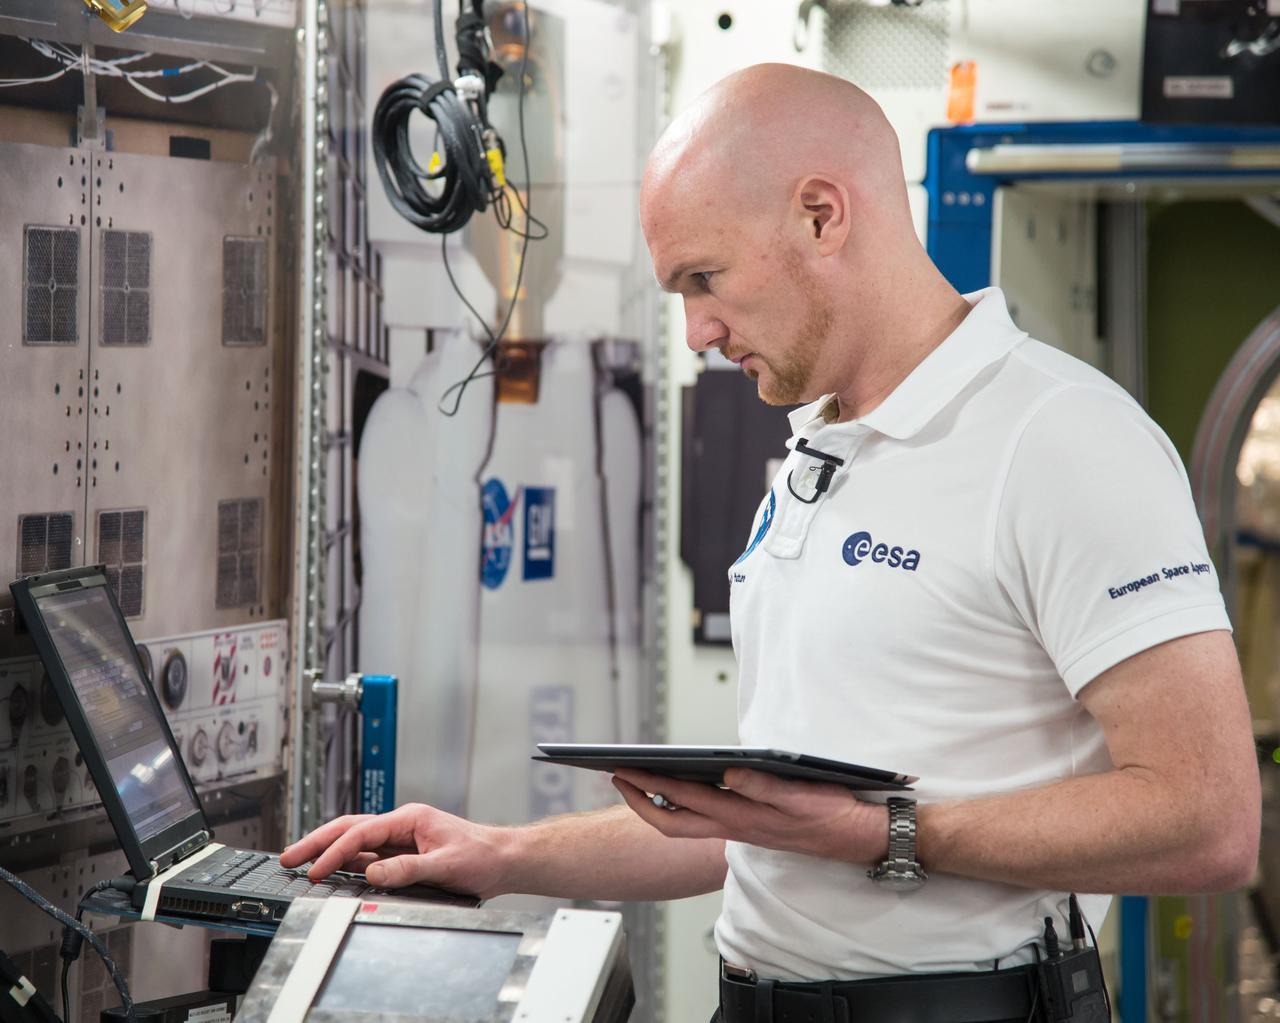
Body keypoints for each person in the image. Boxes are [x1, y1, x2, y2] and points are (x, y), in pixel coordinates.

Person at [280, 64, 1260, 1020]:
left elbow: (1205, 821)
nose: (697, 329)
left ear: (821, 215)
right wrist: (501, 855)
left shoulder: (1058, 438)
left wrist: (884, 833)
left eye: (704, 278)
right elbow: (768, 833)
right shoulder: (815, 455)